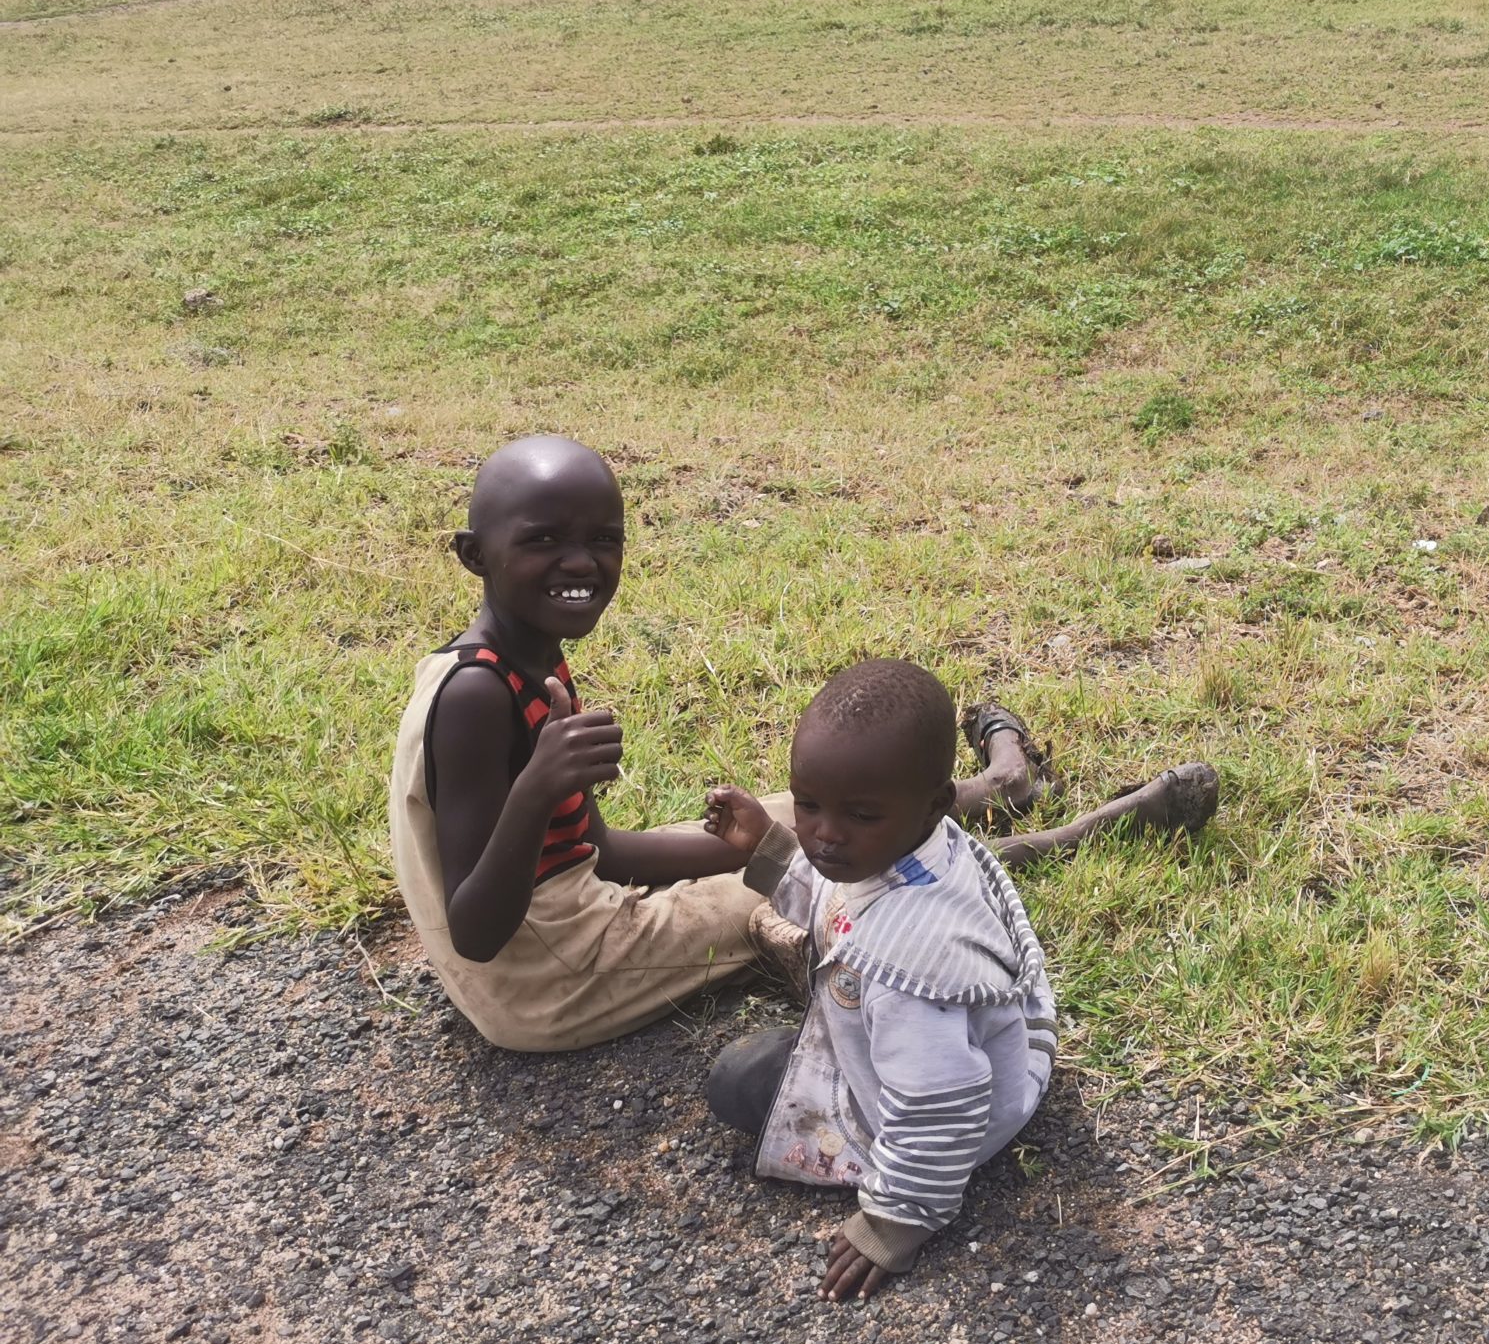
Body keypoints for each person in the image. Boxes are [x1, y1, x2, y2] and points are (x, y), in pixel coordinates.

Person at [383, 436, 1062, 1052]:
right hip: (547, 981)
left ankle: (1001, 787)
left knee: (823, 822)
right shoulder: (477, 698)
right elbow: (476, 933)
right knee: (840, 877)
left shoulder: (522, 660)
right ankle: (1034, 842)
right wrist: (538, 788)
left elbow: (602, 852)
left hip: (561, 917)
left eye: (604, 539)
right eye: (543, 540)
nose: (581, 561)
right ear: (474, 554)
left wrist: (760, 847)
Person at [698, 658, 1216, 1300]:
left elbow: (939, 1106)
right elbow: (837, 899)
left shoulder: (911, 972)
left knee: (736, 1082)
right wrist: (772, 849)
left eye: (858, 815)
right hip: (961, 1049)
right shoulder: (912, 846)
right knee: (764, 1059)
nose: (825, 835)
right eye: (807, 805)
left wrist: (893, 1221)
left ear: (936, 805)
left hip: (957, 1115)